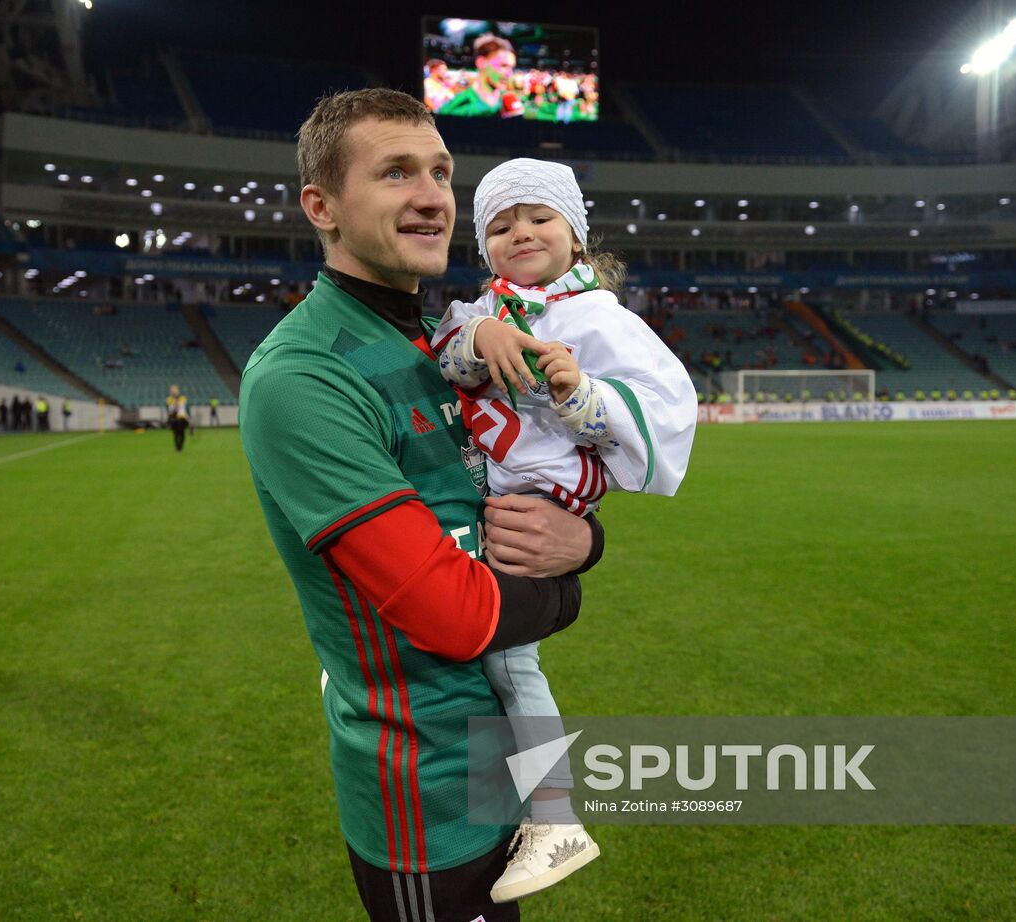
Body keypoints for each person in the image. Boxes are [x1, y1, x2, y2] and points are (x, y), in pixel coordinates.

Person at [240, 89, 601, 922]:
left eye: (440, 171)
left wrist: (580, 540)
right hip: (425, 800)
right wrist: (579, 578)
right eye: (396, 172)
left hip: (494, 762)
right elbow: (452, 613)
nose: (433, 194)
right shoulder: (303, 375)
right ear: (321, 206)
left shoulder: (432, 342)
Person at [433, 157, 697, 900]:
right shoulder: (477, 310)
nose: (521, 232)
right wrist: (480, 338)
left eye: (539, 217)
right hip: (477, 499)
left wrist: (581, 393)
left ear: (576, 238)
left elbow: (665, 403)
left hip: (535, 506)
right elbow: (445, 360)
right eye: (500, 224)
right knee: (474, 653)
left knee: (513, 666)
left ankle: (556, 819)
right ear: (482, 245)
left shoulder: (600, 318)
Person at [166, 385, 189, 451]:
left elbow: (183, 406)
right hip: (174, 418)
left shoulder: (183, 398)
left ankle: (180, 446)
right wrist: (175, 401)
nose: (172, 392)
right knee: (175, 434)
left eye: (174, 391)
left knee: (182, 434)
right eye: (171, 391)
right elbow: (172, 410)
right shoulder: (169, 399)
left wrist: (177, 399)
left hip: (182, 418)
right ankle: (177, 448)